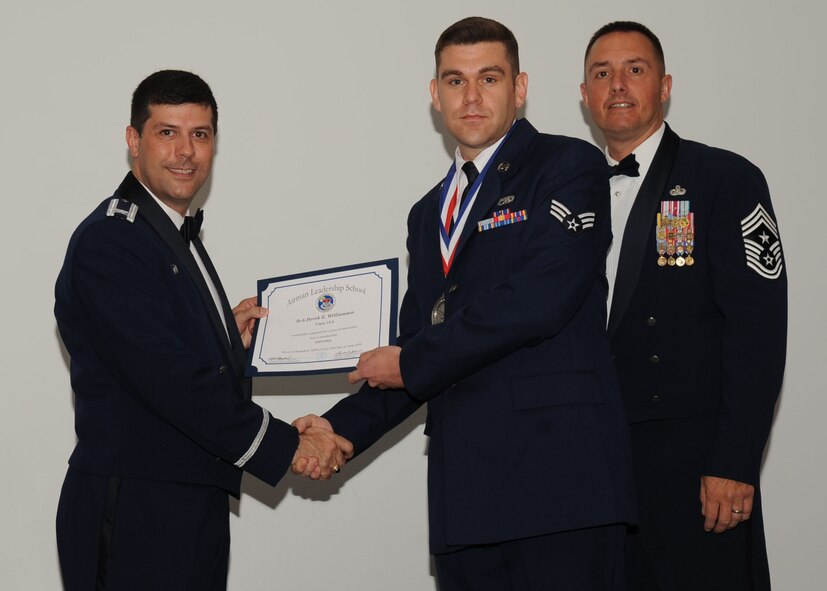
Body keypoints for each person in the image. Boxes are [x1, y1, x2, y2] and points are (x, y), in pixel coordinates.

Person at [294, 17, 636, 590]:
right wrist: (335, 430)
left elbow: (538, 301)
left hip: (560, 488)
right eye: (455, 81)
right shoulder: (428, 212)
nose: (471, 96)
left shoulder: (567, 166)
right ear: (435, 95)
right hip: (467, 496)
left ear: (520, 87)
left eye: (489, 78)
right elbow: (417, 342)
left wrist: (410, 362)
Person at [54, 69, 352, 591]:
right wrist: (287, 445)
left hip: (187, 499)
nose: (185, 152)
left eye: (200, 134)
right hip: (137, 511)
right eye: (167, 132)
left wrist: (221, 339)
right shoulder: (112, 241)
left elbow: (162, 349)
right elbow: (170, 381)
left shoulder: (165, 232)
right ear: (133, 141)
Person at [579, 21, 787, 590]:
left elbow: (758, 331)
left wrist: (734, 462)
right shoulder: (572, 193)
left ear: (665, 86)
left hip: (695, 465)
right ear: (584, 94)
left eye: (635, 70)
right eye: (602, 73)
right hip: (598, 461)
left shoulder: (725, 178)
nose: (617, 85)